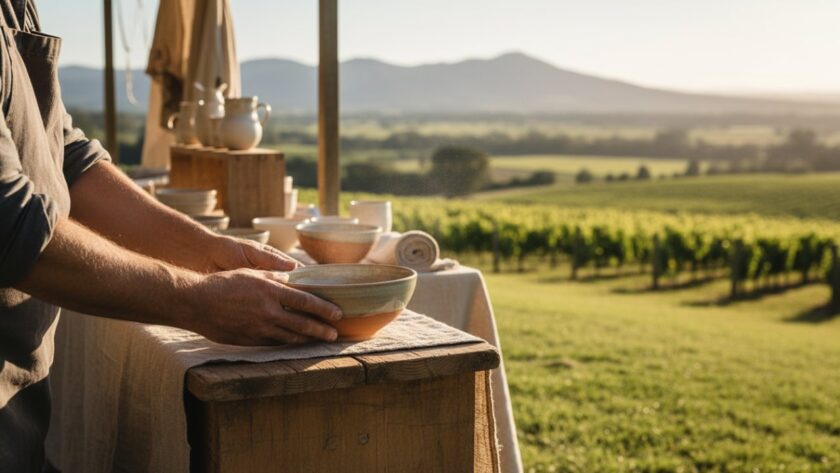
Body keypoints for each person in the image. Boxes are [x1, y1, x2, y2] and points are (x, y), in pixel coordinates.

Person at [0, 2, 341, 471]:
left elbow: (67, 156)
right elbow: (9, 227)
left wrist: (210, 250)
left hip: (21, 406)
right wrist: (198, 300)